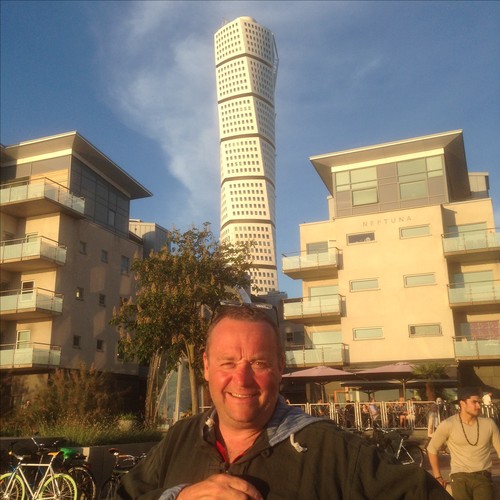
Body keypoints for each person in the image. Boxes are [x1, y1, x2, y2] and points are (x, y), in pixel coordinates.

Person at [117, 304, 450, 499]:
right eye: (227, 363)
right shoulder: (180, 438)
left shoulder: (335, 452)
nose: (242, 380)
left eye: (258, 363)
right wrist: (176, 497)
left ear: (280, 367)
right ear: (205, 366)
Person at [427, 387, 500, 500]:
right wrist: (437, 476)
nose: (478, 406)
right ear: (462, 404)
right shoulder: (448, 424)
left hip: (483, 476)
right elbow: (432, 449)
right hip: (459, 477)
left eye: (479, 402)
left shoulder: (489, 424)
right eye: (474, 402)